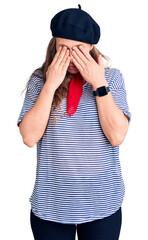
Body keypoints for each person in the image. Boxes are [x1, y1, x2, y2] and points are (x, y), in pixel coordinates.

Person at [17, 4, 132, 240]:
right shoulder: (40, 82)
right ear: (54, 45)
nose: (71, 56)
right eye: (63, 48)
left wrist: (99, 84)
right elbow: (29, 138)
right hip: (51, 205)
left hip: (103, 203)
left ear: (91, 46)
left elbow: (117, 136)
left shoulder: (112, 78)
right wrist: (50, 84)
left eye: (78, 48)